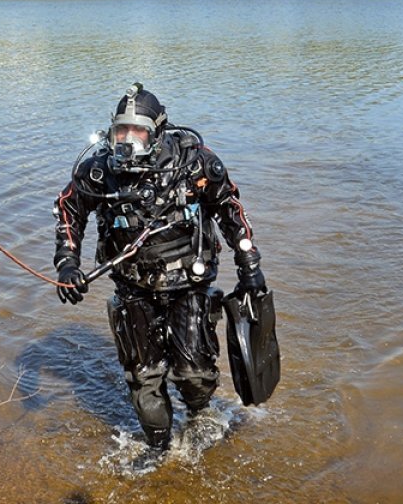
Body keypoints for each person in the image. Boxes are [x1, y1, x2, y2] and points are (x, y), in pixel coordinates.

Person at [51, 83, 268, 450]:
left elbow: (230, 208)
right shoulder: (99, 172)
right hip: (133, 287)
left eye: (139, 132)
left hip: (188, 284)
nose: (129, 141)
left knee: (195, 375)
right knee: (145, 382)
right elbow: (69, 212)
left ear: (158, 132)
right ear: (111, 131)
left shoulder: (193, 161)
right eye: (122, 132)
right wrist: (67, 264)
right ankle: (159, 448)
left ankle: (201, 418)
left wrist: (249, 264)